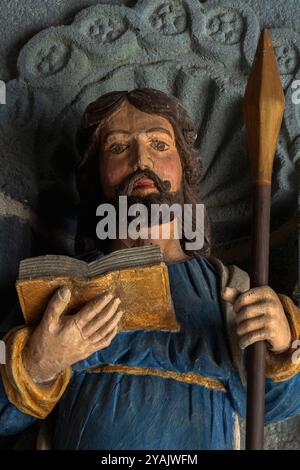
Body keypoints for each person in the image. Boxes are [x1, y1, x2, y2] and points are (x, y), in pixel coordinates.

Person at [1, 88, 300, 450]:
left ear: (183, 167)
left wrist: (281, 348)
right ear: (97, 176)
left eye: (160, 145)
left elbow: (274, 405)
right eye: (118, 148)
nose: (141, 161)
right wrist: (37, 363)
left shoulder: (229, 290)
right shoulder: (59, 287)